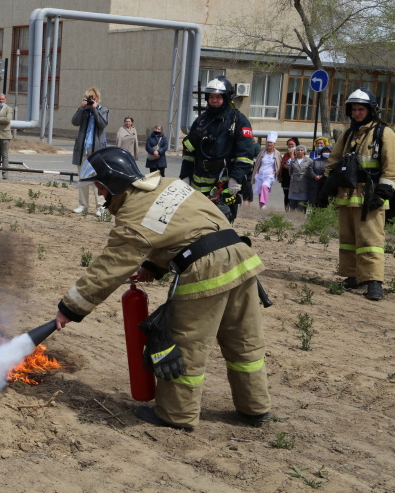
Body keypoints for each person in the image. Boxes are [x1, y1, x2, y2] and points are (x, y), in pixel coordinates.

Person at [53, 147, 271, 430]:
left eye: (100, 187)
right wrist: (154, 267)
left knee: (185, 344)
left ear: (112, 184)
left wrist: (69, 308)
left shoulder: (133, 214)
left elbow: (108, 269)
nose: (101, 194)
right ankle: (255, 408)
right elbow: (184, 228)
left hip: (206, 269)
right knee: (244, 340)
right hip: (241, 258)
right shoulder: (168, 185)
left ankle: (176, 415)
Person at [322, 88, 395, 301]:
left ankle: (374, 281)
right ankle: (352, 275)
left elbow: (391, 167)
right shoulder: (348, 134)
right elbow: (334, 161)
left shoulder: (384, 133)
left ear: (371, 110)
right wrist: (325, 186)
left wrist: (383, 192)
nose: (356, 113)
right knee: (348, 239)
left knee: (371, 240)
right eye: (353, 109)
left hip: (371, 196)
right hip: (346, 195)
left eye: (361, 109)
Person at [179, 76, 255, 223]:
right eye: (211, 97)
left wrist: (236, 178)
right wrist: (185, 175)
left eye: (218, 97)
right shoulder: (201, 120)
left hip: (224, 182)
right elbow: (188, 152)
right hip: (198, 181)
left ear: (226, 98)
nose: (214, 100)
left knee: (223, 220)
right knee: (196, 220)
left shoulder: (238, 120)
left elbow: (245, 154)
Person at [71, 87, 109, 213]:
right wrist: (82, 108)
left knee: (97, 179)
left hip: (96, 150)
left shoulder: (103, 110)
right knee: (82, 178)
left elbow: (102, 124)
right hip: (83, 149)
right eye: (87, 98)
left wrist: (95, 109)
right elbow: (74, 122)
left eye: (91, 98)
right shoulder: (84, 110)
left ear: (96, 98)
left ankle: (101, 207)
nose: (89, 100)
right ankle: (83, 205)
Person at [251, 132, 282, 210]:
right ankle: (261, 206)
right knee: (260, 189)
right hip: (261, 173)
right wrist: (257, 169)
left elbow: (279, 163)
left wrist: (276, 171)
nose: (269, 144)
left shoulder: (277, 153)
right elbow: (258, 162)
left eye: (271, 142)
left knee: (265, 186)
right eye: (268, 142)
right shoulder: (262, 153)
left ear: (274, 143)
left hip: (270, 175)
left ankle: (264, 203)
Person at [287, 145, 312, 212]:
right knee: (292, 205)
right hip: (294, 185)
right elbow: (290, 172)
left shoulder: (309, 161)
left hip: (304, 185)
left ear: (304, 151)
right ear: (296, 152)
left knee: (302, 206)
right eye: (298, 150)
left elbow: (311, 172)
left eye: (301, 150)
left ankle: (301, 220)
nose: (300, 151)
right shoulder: (293, 161)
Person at [280, 138, 299, 210]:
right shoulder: (286, 155)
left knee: (294, 195)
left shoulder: (298, 154)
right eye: (289, 145)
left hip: (294, 178)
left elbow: (296, 165)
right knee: (286, 194)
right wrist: (286, 166)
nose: (290, 146)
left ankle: (294, 210)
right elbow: (283, 164)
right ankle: (287, 210)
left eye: (292, 144)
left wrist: (292, 155)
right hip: (286, 177)